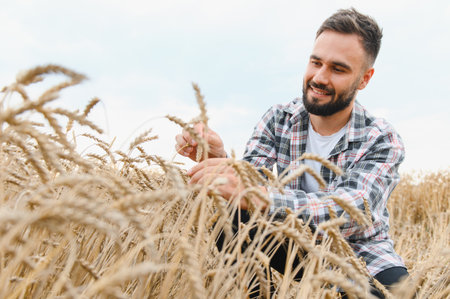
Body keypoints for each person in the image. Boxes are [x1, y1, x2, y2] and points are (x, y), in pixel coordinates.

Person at [175, 8, 408, 298]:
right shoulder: (279, 118)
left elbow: (347, 213)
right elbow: (251, 181)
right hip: (293, 239)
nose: (319, 78)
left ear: (364, 79)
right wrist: (215, 157)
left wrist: (260, 196)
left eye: (338, 69)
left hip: (361, 253)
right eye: (316, 62)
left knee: (396, 293)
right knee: (233, 220)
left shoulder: (382, 139)